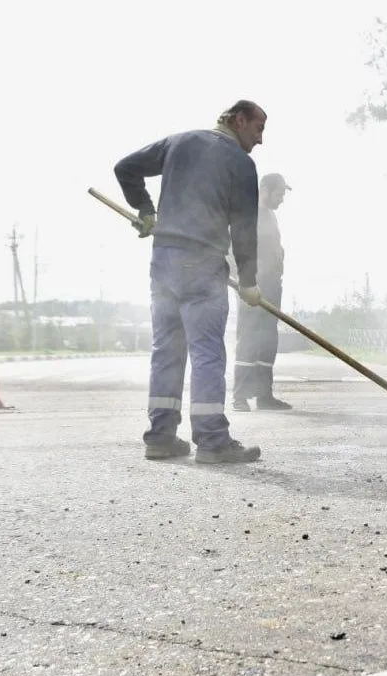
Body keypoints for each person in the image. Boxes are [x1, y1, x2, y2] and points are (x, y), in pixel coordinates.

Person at [113, 100, 266, 464]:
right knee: (207, 352)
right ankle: (212, 440)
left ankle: (161, 436)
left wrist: (146, 210)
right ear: (239, 119)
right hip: (202, 263)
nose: (260, 140)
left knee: (167, 349)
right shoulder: (240, 163)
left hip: (164, 260)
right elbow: (244, 227)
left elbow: (125, 169)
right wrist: (249, 280)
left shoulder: (178, 142)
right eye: (258, 129)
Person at [233, 173, 293, 411]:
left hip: (272, 286)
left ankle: (264, 396)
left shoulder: (270, 216)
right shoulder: (249, 213)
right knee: (249, 339)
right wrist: (243, 281)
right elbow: (234, 247)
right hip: (252, 285)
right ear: (265, 190)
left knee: (267, 341)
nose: (281, 199)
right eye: (279, 194)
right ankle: (239, 396)